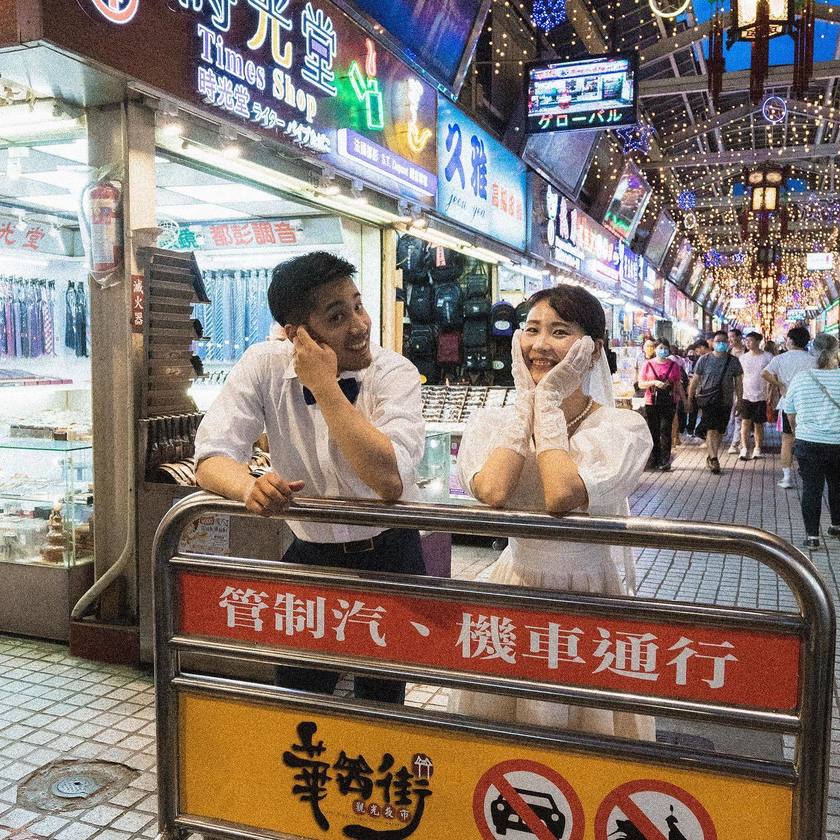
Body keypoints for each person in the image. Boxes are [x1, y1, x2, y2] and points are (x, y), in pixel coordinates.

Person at [194, 251, 426, 703]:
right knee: (298, 694)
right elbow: (210, 456)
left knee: (382, 699)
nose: (359, 325)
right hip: (309, 556)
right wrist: (248, 487)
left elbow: (389, 480)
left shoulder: (393, 373)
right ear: (295, 333)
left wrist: (324, 386)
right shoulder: (263, 365)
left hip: (391, 554)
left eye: (358, 306)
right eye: (337, 316)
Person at [448, 285, 653, 739]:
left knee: (585, 734)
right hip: (512, 586)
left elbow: (562, 493)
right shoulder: (493, 422)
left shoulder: (623, 428)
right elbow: (494, 490)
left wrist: (550, 402)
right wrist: (528, 405)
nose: (540, 345)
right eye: (532, 329)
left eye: (560, 332)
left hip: (590, 593)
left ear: (591, 348)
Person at [784, 333, 840, 549]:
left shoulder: (802, 378)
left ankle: (812, 537)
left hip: (809, 442)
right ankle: (836, 526)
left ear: (813, 352)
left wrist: (799, 432)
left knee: (812, 489)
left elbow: (790, 413)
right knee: (837, 486)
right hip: (838, 443)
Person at [762, 326, 817, 489]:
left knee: (787, 439)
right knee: (807, 438)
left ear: (791, 341)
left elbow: (764, 373)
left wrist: (781, 385)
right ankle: (807, 472)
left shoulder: (780, 359)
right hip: (809, 404)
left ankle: (786, 478)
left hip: (788, 403)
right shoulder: (813, 359)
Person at [687, 330, 744, 474]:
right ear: (712, 343)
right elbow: (695, 380)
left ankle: (713, 455)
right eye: (718, 341)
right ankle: (714, 459)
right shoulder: (704, 359)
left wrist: (740, 400)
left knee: (720, 431)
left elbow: (738, 383)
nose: (721, 344)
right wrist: (689, 398)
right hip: (709, 401)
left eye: (724, 341)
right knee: (711, 429)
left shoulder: (733, 361)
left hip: (726, 401)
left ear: (728, 343)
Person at [638, 339, 684, 470]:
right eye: (660, 348)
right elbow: (640, 383)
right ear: (655, 349)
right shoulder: (647, 364)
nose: (663, 351)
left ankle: (665, 460)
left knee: (665, 429)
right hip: (651, 402)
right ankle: (655, 458)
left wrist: (685, 400)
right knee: (653, 430)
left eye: (665, 348)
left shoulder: (674, 365)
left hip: (669, 401)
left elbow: (678, 384)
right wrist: (654, 383)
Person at [738, 330, 773, 460]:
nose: (748, 343)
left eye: (750, 340)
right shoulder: (743, 358)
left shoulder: (768, 357)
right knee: (745, 422)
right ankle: (744, 448)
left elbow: (772, 377)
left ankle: (757, 448)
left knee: (759, 423)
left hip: (762, 396)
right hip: (746, 395)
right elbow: (740, 377)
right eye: (746, 341)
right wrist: (739, 395)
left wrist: (770, 394)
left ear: (758, 342)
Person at [725, 328, 746, 454]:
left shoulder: (747, 351)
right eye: (729, 337)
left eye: (732, 336)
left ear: (739, 337)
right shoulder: (728, 352)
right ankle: (734, 439)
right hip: (728, 387)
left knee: (739, 415)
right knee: (730, 415)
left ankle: (736, 442)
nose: (730, 339)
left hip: (744, 387)